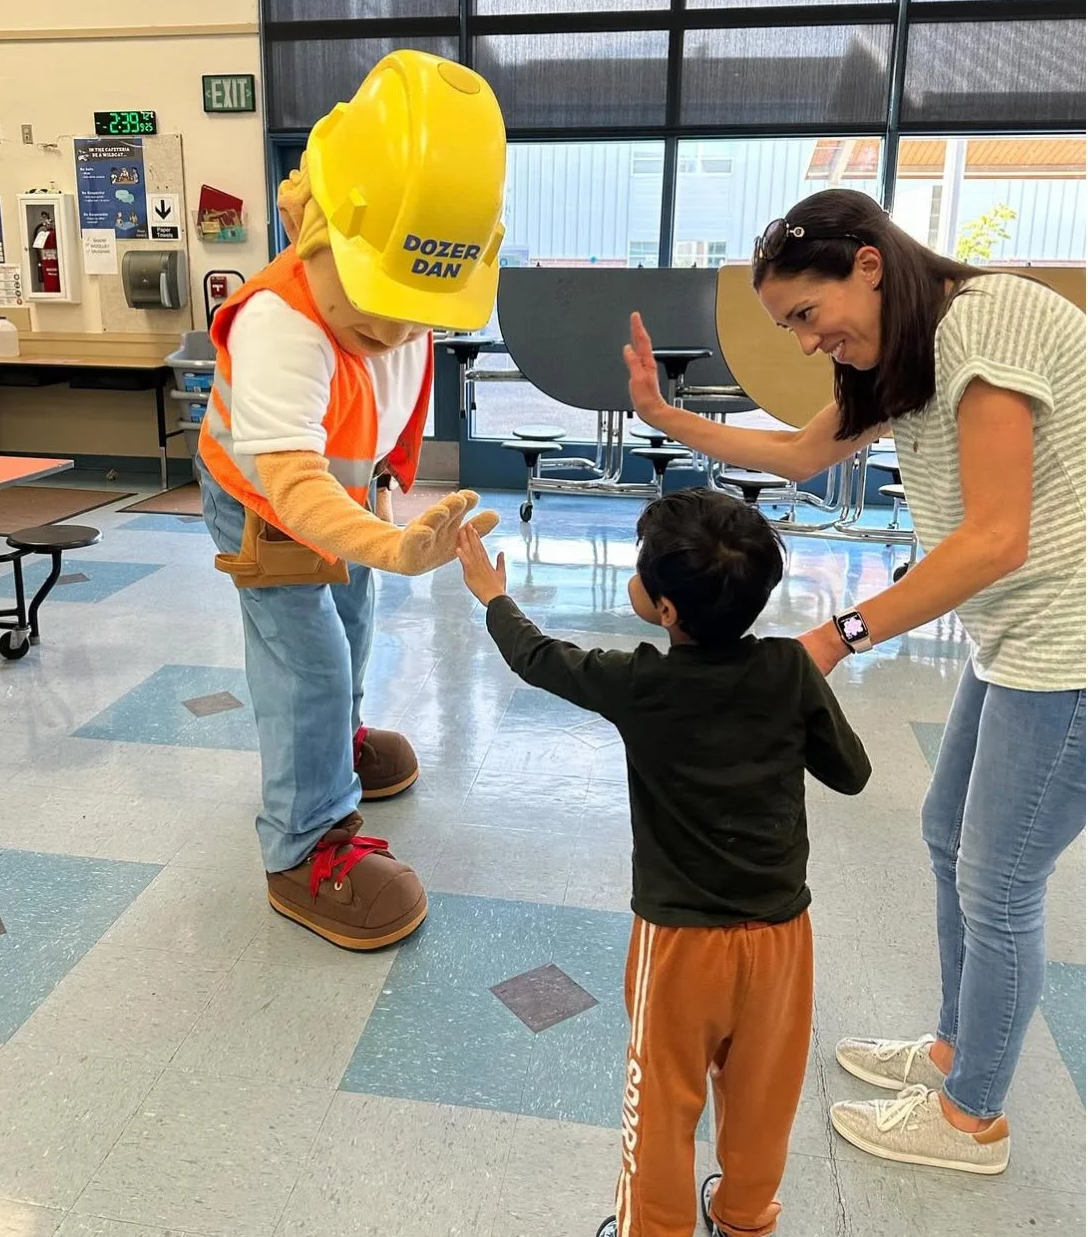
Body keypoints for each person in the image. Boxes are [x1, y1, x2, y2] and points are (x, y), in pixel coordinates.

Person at [624, 188, 1086, 1175]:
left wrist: (844, 632)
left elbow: (997, 536)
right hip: (1020, 639)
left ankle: (973, 1119)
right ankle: (959, 1046)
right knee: (945, 834)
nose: (804, 340)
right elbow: (799, 451)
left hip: (1072, 649)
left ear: (867, 263)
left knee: (999, 881)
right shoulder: (906, 354)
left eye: (805, 313)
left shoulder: (984, 320)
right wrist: (667, 418)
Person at [456, 489, 871, 1237]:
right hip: (780, 939)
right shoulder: (787, 669)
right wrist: (789, 705)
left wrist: (493, 595)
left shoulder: (639, 682)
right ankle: (744, 1215)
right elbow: (849, 773)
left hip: (679, 945)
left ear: (668, 611)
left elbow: (538, 658)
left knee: (661, 1103)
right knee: (761, 1095)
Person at [197, 50, 507, 951]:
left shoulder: (399, 295)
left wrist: (385, 494)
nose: (396, 330)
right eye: (377, 306)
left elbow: (391, 392)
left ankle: (335, 742)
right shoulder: (278, 323)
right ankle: (301, 847)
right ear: (320, 229)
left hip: (343, 494)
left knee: (354, 628)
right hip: (266, 502)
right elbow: (291, 482)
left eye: (422, 309)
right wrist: (391, 543)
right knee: (309, 664)